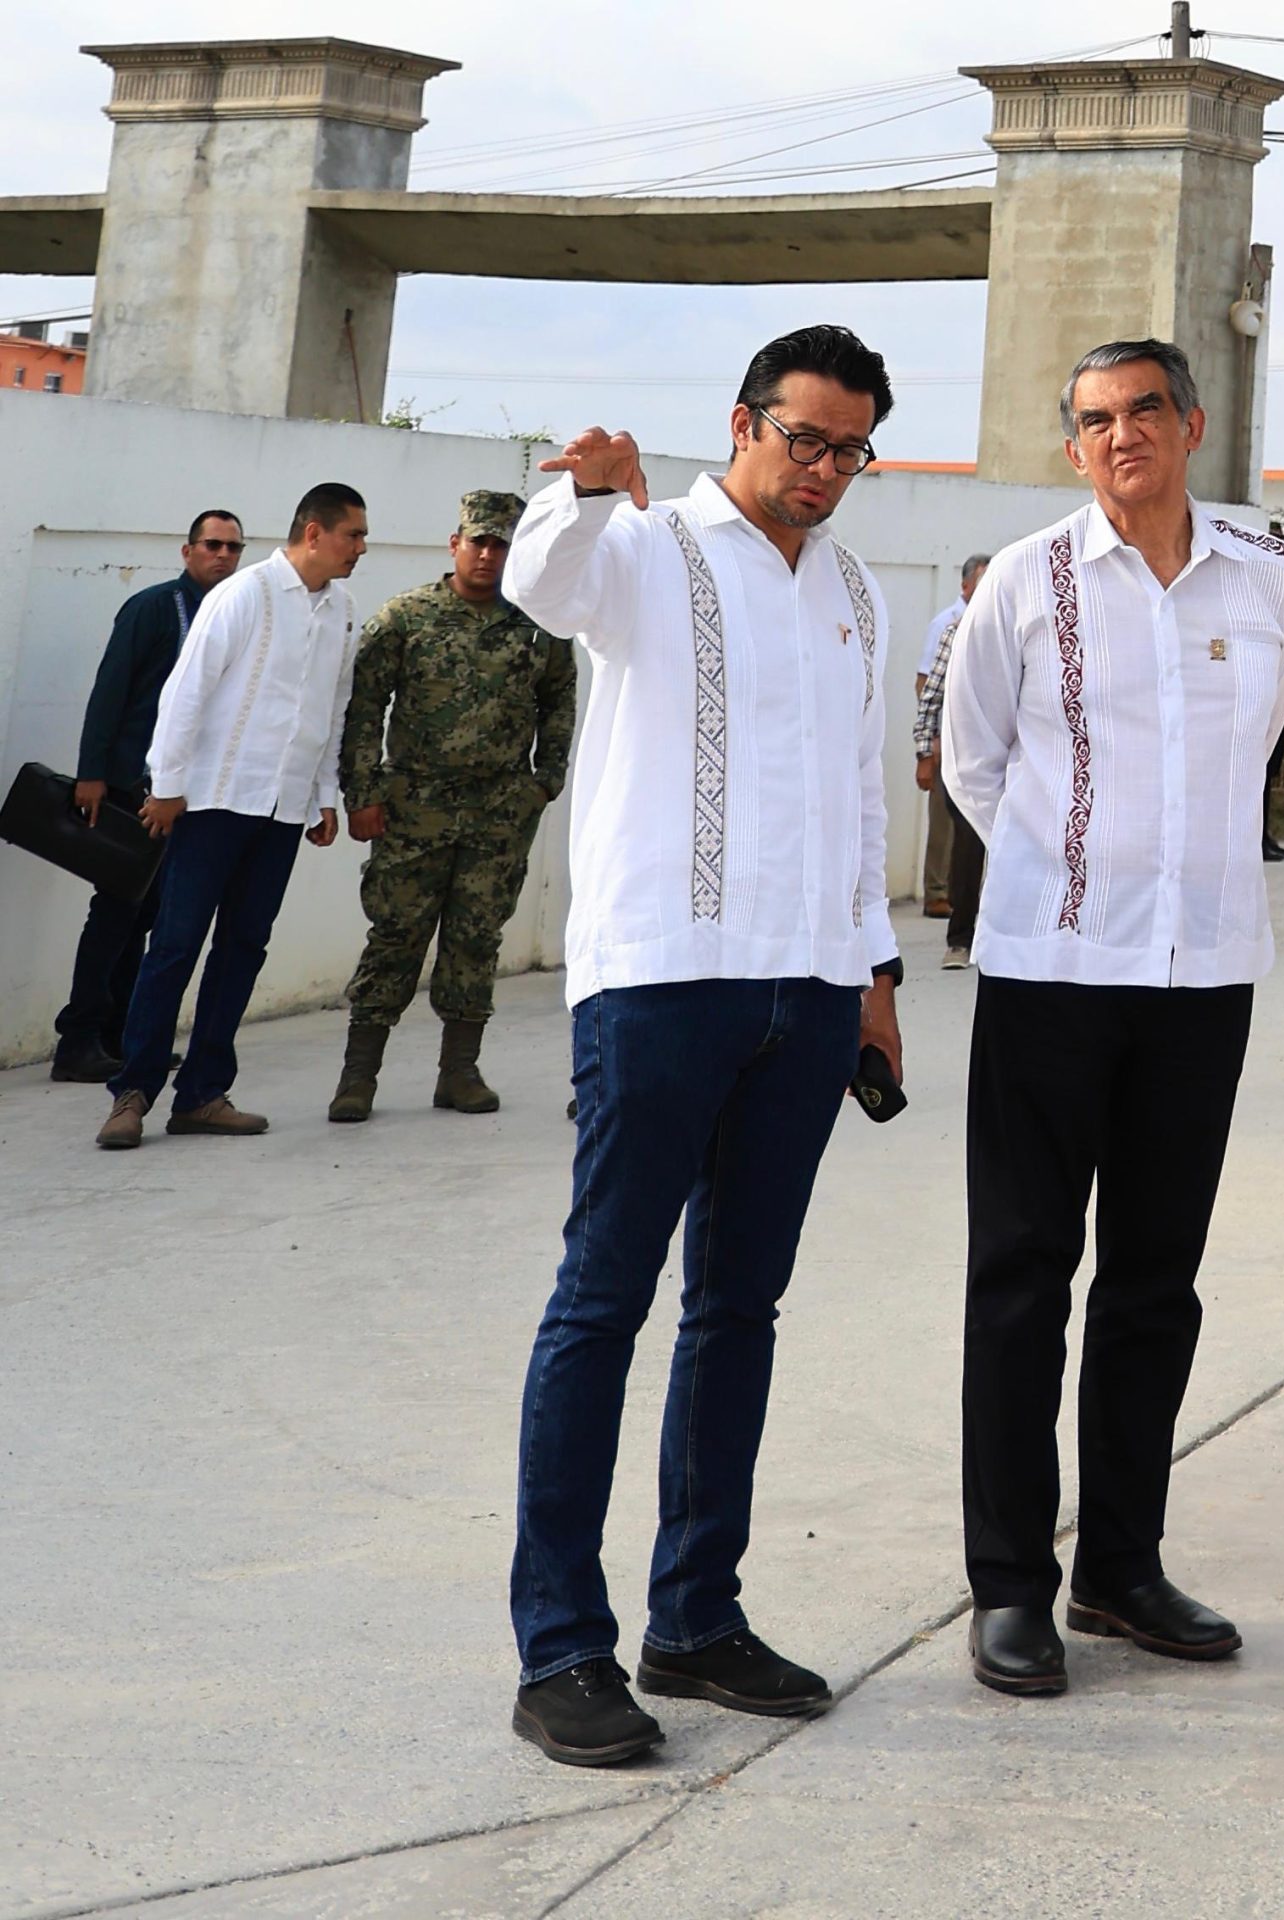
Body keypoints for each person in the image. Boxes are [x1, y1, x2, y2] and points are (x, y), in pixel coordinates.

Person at [501, 326, 903, 1768]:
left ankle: (696, 1619)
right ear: (743, 423)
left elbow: (861, 793)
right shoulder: (644, 548)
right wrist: (585, 489)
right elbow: (542, 587)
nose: (825, 470)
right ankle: (562, 1648)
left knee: (739, 1310)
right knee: (602, 1302)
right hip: (662, 981)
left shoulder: (854, 590)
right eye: (806, 439)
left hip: (807, 992)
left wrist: (873, 971)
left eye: (851, 449)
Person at [941, 337, 1284, 1697]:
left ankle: (1121, 1568)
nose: (1122, 435)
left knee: (1155, 1285)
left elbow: (1253, 748)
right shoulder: (1024, 582)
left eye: (1145, 409)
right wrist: (1072, 877)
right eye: (1095, 419)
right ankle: (1009, 1588)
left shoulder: (1266, 581)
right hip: (1052, 974)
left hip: (1202, 978)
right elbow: (974, 762)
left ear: (1191, 424)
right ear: (1073, 444)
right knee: (1022, 1280)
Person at [94, 487, 365, 1150]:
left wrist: (323, 794)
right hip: (214, 800)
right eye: (352, 535)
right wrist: (167, 783)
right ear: (313, 532)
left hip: (282, 808)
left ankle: (202, 1095)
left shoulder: (342, 610)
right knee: (175, 945)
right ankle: (133, 1091)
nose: (360, 548)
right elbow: (186, 690)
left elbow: (333, 710)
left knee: (243, 947)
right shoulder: (245, 594)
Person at [328, 491, 576, 1121]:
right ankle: (358, 1077)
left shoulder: (538, 626)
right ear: (455, 544)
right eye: (479, 542)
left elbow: (560, 701)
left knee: (475, 939)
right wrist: (362, 794)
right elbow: (364, 706)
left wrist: (544, 781)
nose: (489, 555)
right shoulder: (405, 617)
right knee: (395, 936)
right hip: (414, 807)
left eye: (501, 544)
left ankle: (459, 1072)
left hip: (499, 812)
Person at [50, 509, 245, 1083]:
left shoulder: (234, 613)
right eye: (212, 545)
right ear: (188, 551)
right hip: (131, 788)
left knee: (149, 915)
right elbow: (110, 691)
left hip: (186, 794)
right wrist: (91, 774)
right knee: (116, 913)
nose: (223, 556)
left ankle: (119, 1035)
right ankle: (78, 1039)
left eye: (233, 547)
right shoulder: (154, 608)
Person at [912, 553, 994, 969]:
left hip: (1014, 762)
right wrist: (925, 753)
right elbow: (930, 697)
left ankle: (998, 936)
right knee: (967, 847)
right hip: (966, 761)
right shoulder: (954, 632)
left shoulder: (1025, 629)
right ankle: (960, 940)